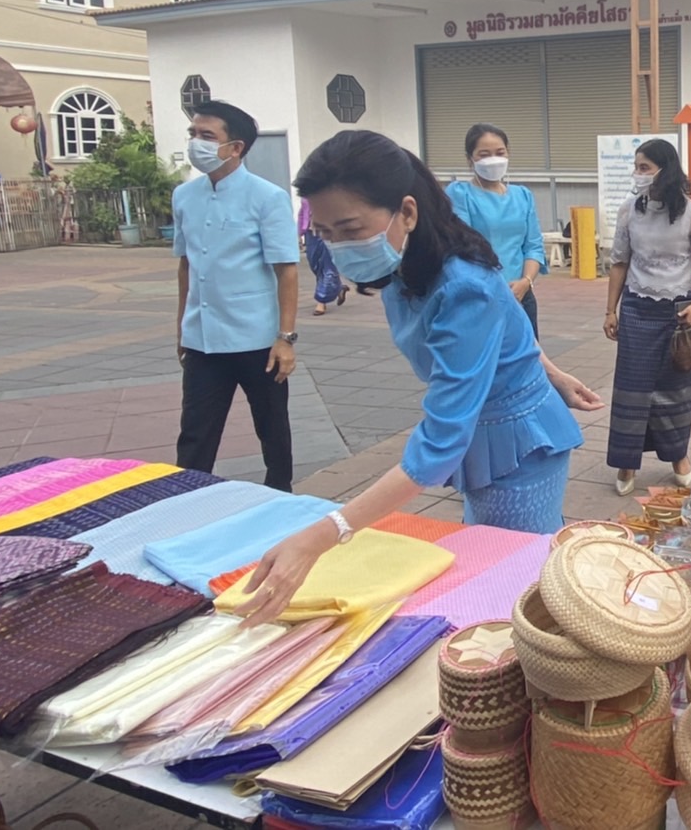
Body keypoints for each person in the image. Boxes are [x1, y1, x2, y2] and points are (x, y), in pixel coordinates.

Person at [233, 130, 603, 625]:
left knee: (518, 579)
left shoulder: (462, 287)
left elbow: (439, 442)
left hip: (518, 443)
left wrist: (325, 533)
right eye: (324, 234)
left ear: (407, 212)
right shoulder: (405, 266)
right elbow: (509, 329)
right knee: (491, 548)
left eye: (349, 228)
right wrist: (554, 373)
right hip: (487, 430)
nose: (339, 246)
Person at [173, 102, 299, 492]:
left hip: (257, 339)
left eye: (208, 136)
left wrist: (286, 337)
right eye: (194, 134)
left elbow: (286, 270)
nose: (197, 143)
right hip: (203, 338)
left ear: (236, 147)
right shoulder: (184, 196)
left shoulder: (267, 197)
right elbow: (185, 266)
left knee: (272, 427)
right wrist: (181, 328)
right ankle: (185, 500)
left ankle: (281, 497)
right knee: (195, 433)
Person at [604, 139, 691, 498]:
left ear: (665, 169)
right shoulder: (629, 209)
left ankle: (678, 458)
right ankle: (627, 462)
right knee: (632, 389)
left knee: (676, 391)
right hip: (637, 309)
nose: (638, 175)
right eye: (636, 167)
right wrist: (611, 310)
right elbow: (619, 262)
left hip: (678, 314)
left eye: (645, 167)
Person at [445, 124, 548, 338]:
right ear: (470, 159)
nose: (494, 159)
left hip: (520, 294)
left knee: (527, 361)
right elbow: (463, 245)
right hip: (479, 294)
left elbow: (533, 246)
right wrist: (490, 285)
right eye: (484, 154)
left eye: (500, 153)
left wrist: (525, 282)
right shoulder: (460, 193)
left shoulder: (523, 195)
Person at [298, 198, 349, 316]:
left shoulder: (331, 191)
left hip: (329, 232)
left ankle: (321, 301)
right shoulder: (305, 195)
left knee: (327, 267)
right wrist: (299, 233)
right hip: (311, 234)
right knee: (315, 265)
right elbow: (302, 213)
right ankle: (339, 288)